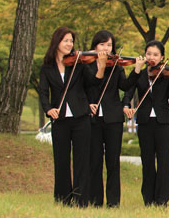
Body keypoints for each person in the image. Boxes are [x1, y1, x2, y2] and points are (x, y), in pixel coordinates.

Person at [38, 27, 96, 207]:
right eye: (66, 41)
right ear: (57, 42)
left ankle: (81, 200)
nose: (70, 44)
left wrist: (99, 65)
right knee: (61, 160)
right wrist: (48, 109)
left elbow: (92, 83)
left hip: (81, 116)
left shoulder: (79, 63)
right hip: (60, 118)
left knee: (81, 160)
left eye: (71, 41)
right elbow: (43, 92)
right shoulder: (47, 67)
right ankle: (63, 199)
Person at [122, 40, 169, 206]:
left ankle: (162, 199)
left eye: (156, 55)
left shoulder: (166, 73)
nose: (152, 57)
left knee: (164, 162)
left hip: (163, 122)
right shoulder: (139, 73)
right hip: (144, 121)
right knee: (147, 161)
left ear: (162, 57)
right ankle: (148, 198)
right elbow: (128, 91)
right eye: (149, 54)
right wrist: (126, 106)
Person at [86, 30, 133, 207]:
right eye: (102, 44)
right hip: (93, 118)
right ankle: (95, 200)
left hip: (113, 118)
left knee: (113, 161)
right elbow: (89, 86)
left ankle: (113, 202)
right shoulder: (87, 66)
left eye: (109, 45)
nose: (106, 48)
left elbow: (125, 86)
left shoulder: (117, 66)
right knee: (94, 161)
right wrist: (100, 66)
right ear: (95, 46)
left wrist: (136, 70)